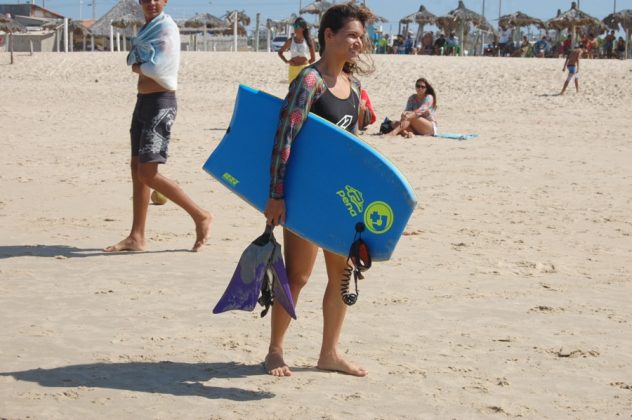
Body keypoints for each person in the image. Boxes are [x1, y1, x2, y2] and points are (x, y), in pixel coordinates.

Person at [263, 3, 374, 377]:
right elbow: (284, 138)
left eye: (361, 36)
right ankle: (275, 350)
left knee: (341, 277)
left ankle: (329, 353)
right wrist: (276, 194)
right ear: (329, 35)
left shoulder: (354, 87)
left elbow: (353, 150)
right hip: (305, 194)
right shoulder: (309, 82)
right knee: (297, 275)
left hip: (341, 199)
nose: (358, 42)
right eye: (351, 35)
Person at [105, 0, 212, 252]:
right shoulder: (147, 28)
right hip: (143, 102)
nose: (151, 3)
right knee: (136, 167)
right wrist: (139, 65)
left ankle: (200, 215)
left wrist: (138, 66)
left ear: (165, 1)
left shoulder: (167, 28)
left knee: (148, 173)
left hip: (161, 105)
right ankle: (137, 236)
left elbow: (159, 68)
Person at [277, 17, 316, 84]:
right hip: (293, 69)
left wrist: (305, 64)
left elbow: (313, 59)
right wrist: (286, 61)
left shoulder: (309, 41)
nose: (295, 28)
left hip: (304, 70)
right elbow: (280, 52)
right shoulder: (290, 41)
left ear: (303, 28)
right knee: (292, 92)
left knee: (303, 92)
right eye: (294, 26)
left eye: (297, 26)